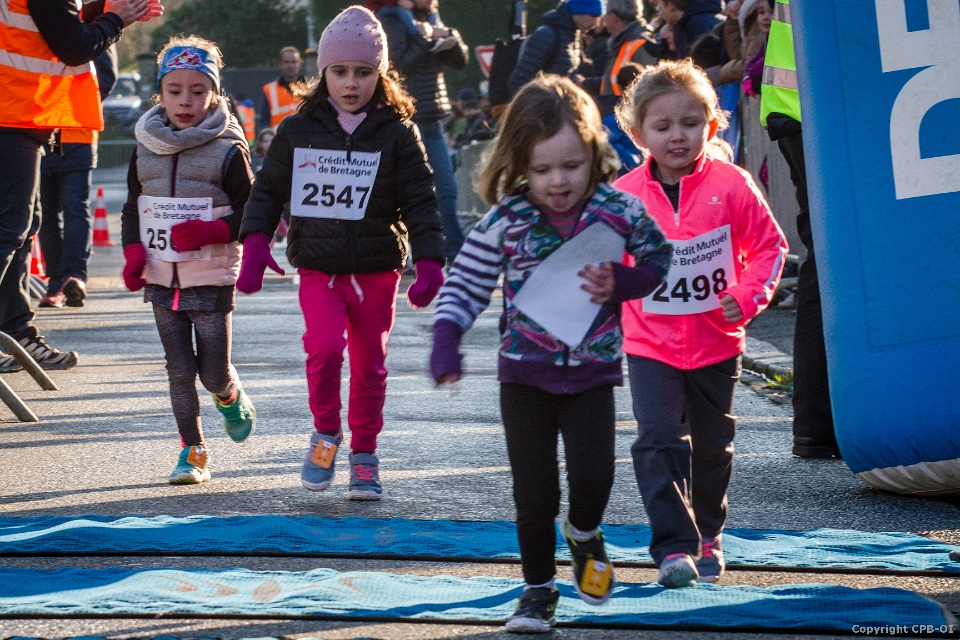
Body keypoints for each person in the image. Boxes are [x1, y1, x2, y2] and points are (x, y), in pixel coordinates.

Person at [430, 75, 672, 633]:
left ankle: (584, 533)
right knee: (534, 493)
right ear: (519, 164)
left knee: (593, 478)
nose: (557, 181)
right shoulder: (507, 220)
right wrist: (447, 338)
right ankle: (537, 590)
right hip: (525, 375)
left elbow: (660, 259)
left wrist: (624, 282)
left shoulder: (618, 210)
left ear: (592, 153)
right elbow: (465, 282)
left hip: (592, 374)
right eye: (541, 170)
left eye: (571, 165)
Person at [237, 6, 446, 501]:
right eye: (340, 71)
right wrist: (255, 242)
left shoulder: (398, 132)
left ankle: (365, 454)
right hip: (319, 266)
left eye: (364, 72)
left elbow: (421, 199)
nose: (351, 83)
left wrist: (430, 260)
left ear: (381, 74)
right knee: (325, 349)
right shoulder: (297, 129)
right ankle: (326, 433)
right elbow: (266, 190)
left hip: (377, 269)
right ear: (323, 73)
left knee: (370, 366)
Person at [614, 59, 787, 587]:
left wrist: (745, 295)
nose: (677, 136)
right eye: (662, 126)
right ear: (638, 133)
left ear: (712, 126)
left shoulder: (732, 185)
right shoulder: (625, 196)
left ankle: (708, 533)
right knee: (659, 438)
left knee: (712, 446)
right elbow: (603, 264)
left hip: (716, 342)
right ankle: (673, 547)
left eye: (690, 124)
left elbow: (769, 248)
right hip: (650, 343)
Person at [119, 36, 257, 484]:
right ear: (160, 93)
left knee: (211, 372)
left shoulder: (229, 149)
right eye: (174, 91)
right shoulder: (144, 146)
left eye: (198, 91)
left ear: (215, 93)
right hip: (161, 277)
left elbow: (253, 210)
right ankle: (192, 451)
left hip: (210, 275)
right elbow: (132, 207)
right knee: (179, 370)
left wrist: (212, 231)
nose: (185, 101)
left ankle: (228, 392)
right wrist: (133, 251)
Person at [0, 0, 163, 375]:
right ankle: (16, 328)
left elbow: (50, 23)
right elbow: (74, 47)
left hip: (19, 115)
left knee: (23, 229)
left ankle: (16, 330)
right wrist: (115, 19)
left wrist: (100, 10)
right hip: (13, 114)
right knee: (11, 229)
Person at [760, 0, 839, 459]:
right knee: (833, 259)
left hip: (797, 99)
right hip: (825, 99)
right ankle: (820, 422)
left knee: (823, 260)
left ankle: (815, 426)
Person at [379, 0, 468, 263]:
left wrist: (449, 36)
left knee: (446, 187)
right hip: (404, 118)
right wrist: (424, 38)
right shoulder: (390, 19)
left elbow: (460, 61)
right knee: (407, 191)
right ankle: (407, 251)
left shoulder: (430, 17)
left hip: (432, 118)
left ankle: (454, 250)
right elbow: (397, 67)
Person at [37, 46, 118, 310]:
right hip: (42, 129)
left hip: (73, 130)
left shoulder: (92, 24)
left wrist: (74, 103)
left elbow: (106, 75)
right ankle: (61, 281)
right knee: (50, 213)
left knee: (69, 210)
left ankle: (71, 278)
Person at [507, 0, 602, 98]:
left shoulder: (573, 36)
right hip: (544, 104)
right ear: (579, 10)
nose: (596, 23)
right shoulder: (547, 35)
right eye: (594, 15)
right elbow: (518, 81)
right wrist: (538, 105)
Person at [580, 0, 658, 117]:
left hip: (628, 115)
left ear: (613, 18)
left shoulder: (641, 43)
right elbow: (610, 81)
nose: (603, 19)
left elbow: (646, 88)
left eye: (605, 14)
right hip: (616, 112)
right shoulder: (619, 43)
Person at [257, 46, 305, 135]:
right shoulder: (270, 90)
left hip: (303, 140)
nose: (290, 65)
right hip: (279, 140)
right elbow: (264, 120)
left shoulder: (310, 89)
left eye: (294, 62)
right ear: (280, 64)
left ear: (300, 63)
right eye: (286, 62)